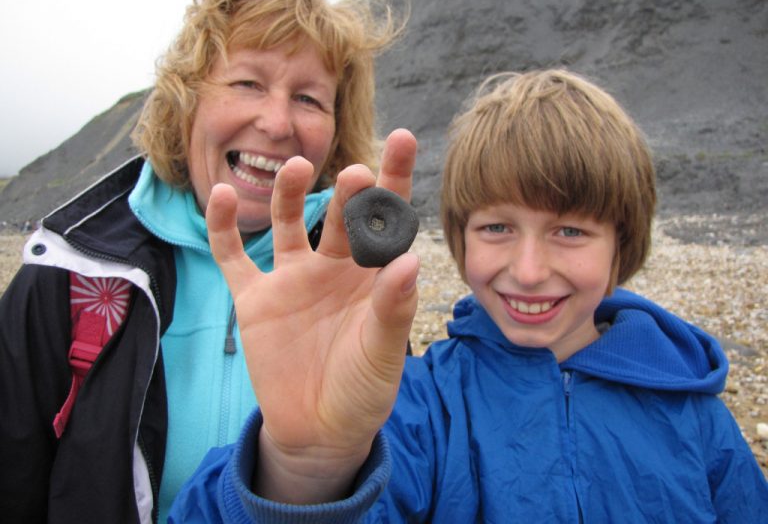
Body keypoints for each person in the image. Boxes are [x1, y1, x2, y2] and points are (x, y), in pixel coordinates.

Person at [170, 68, 768, 522]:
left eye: (569, 230)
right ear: (458, 239)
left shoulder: (695, 415)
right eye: (497, 228)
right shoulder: (418, 408)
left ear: (624, 244)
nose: (529, 271)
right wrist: (303, 468)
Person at [0, 0, 414, 522]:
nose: (276, 122)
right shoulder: (70, 275)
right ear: (186, 100)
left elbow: (407, 495)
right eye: (247, 82)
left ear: (337, 127)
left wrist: (318, 468)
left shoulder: (362, 288)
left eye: (308, 98)